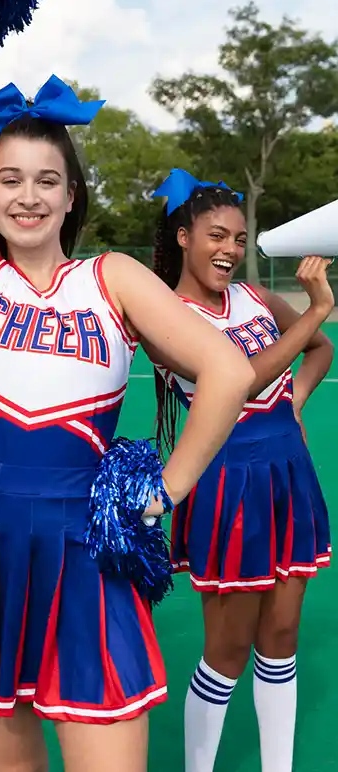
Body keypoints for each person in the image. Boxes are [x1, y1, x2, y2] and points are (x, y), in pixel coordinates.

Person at [0, 5, 255, 772]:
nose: (26, 195)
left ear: (69, 196)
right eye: (9, 178)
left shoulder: (111, 278)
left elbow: (229, 370)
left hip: (85, 543)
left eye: (46, 180)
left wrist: (166, 490)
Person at [150, 168, 333, 772]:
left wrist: (297, 401)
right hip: (226, 479)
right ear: (183, 237)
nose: (229, 248)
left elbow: (318, 350)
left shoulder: (253, 298)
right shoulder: (164, 314)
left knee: (280, 643)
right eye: (216, 235)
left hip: (287, 471)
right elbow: (241, 378)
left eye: (238, 237)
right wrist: (320, 308)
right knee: (226, 652)